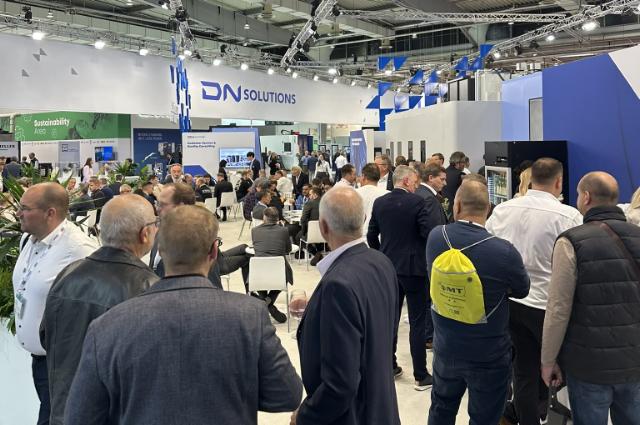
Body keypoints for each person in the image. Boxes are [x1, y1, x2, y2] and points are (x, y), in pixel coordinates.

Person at [65, 205, 302, 425]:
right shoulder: (249, 315)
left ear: (160, 250)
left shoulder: (107, 325)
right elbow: (286, 395)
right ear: (214, 251)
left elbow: (81, 416)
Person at [41, 195, 159, 425]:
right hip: (114, 413)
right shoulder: (148, 287)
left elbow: (46, 337)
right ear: (145, 233)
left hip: (66, 409)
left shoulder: (68, 274)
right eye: (155, 224)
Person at [292, 187, 400, 425]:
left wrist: (304, 415)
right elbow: (374, 322)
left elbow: (340, 385)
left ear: (323, 227)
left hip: (354, 416)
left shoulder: (337, 284)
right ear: (363, 219)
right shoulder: (382, 262)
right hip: (382, 408)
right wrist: (317, 307)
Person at [486, 158, 582, 425]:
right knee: (560, 370)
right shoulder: (569, 216)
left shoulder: (503, 209)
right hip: (548, 308)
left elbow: (489, 248)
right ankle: (549, 413)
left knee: (523, 371)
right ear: (559, 182)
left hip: (511, 302)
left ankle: (529, 418)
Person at [426, 180, 530, 425]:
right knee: (485, 417)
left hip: (446, 346)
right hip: (488, 353)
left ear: (457, 205)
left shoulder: (436, 237)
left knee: (441, 408)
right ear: (489, 209)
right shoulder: (503, 251)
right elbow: (522, 290)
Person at [541, 172, 640, 425]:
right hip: (634, 361)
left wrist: (548, 360)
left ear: (586, 197)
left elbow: (558, 308)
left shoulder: (571, 242)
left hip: (588, 365)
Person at [12, 182, 98, 425]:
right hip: (40, 361)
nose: (18, 213)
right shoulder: (28, 240)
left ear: (50, 213)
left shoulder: (80, 250)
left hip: (64, 364)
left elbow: (99, 302)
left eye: (25, 208)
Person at [367, 165, 433, 390]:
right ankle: (421, 375)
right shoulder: (417, 202)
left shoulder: (380, 203)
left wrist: (381, 255)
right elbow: (426, 233)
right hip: (414, 270)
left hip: (388, 268)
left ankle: (390, 366)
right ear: (406, 181)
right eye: (414, 182)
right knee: (417, 322)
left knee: (391, 319)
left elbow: (371, 235)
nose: (416, 185)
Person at [414, 162, 449, 347]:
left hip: (420, 255)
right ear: (431, 178)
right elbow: (433, 232)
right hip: (428, 257)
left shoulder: (419, 193)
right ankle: (429, 336)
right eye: (441, 179)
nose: (444, 183)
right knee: (430, 296)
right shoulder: (429, 198)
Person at [251, 207, 293, 323]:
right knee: (284, 276)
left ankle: (264, 301)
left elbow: (256, 248)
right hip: (279, 273)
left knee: (258, 273)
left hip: (258, 274)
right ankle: (268, 303)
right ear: (277, 219)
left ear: (264, 217)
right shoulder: (284, 231)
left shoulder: (254, 231)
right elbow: (288, 250)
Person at [356, 163, 388, 238]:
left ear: (363, 176)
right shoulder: (387, 194)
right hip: (380, 237)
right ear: (379, 177)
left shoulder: (354, 194)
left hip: (359, 237)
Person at [296, 186, 322, 263]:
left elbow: (303, 219)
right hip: (326, 233)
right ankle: (319, 252)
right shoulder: (327, 202)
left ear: (315, 195)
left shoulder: (309, 203)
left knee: (298, 237)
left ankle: (316, 253)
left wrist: (303, 231)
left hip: (313, 232)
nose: (309, 196)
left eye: (310, 194)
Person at [442, 151, 466, 218]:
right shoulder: (461, 175)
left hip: (444, 207)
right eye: (463, 162)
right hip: (455, 209)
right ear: (457, 162)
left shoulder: (444, 172)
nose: (464, 164)